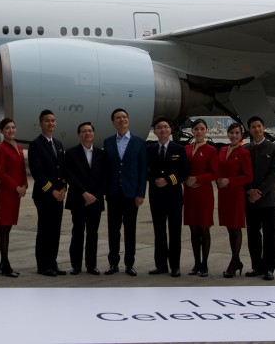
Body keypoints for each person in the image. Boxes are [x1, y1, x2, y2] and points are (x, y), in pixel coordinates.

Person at [103, 108, 147, 276]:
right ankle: (113, 263)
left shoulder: (139, 142)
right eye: (118, 118)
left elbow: (142, 171)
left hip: (131, 194)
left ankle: (130, 264)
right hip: (114, 193)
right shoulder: (107, 142)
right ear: (113, 122)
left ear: (128, 120)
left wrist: (141, 193)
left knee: (130, 230)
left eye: (124, 117)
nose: (122, 120)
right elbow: (106, 169)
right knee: (113, 230)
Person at [62, 122, 108, 275]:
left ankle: (91, 265)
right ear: (79, 135)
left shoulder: (101, 153)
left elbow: (105, 178)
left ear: (93, 134)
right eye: (83, 131)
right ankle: (76, 265)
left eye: (89, 131)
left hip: (96, 200)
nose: (87, 133)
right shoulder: (71, 153)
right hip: (78, 199)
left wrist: (96, 196)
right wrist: (84, 193)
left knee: (93, 233)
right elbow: (69, 175)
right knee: (78, 232)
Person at [146, 117, 189, 277]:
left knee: (175, 232)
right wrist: (153, 180)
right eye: (159, 127)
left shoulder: (179, 148)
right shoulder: (149, 149)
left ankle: (175, 266)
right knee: (159, 232)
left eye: (165, 127)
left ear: (170, 130)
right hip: (156, 196)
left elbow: (184, 171)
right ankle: (161, 265)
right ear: (155, 131)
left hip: (174, 197)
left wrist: (168, 180)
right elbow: (145, 170)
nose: (162, 130)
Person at [28, 109, 66, 276]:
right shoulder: (36, 145)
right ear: (40, 123)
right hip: (44, 195)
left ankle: (53, 262)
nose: (51, 123)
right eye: (47, 121)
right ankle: (43, 265)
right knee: (45, 230)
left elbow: (63, 169)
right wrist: (51, 191)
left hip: (59, 195)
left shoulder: (58, 144)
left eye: (53, 120)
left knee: (55, 230)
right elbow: (37, 172)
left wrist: (64, 187)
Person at [245, 116, 275, 281]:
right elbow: (242, 174)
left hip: (267, 200)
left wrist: (259, 191)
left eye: (259, 126)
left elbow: (274, 174)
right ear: (250, 130)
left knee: (269, 235)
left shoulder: (273, 148)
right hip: (250, 199)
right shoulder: (246, 148)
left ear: (264, 127)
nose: (257, 129)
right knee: (253, 235)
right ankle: (256, 266)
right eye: (253, 127)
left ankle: (269, 268)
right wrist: (249, 190)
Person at [217, 122, 253, 278]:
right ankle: (236, 260)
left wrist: (230, 181)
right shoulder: (223, 150)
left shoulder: (243, 152)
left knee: (236, 227)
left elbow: (248, 176)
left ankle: (234, 262)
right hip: (224, 194)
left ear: (241, 135)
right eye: (231, 132)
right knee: (229, 228)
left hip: (236, 194)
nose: (234, 135)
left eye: (237, 133)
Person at [183, 118, 219, 277]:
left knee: (204, 228)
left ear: (206, 131)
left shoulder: (211, 150)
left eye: (202, 129)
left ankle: (204, 264)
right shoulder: (186, 149)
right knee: (193, 228)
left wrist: (197, 179)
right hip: (190, 193)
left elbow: (215, 173)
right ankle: (196, 262)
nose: (199, 132)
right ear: (192, 131)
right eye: (196, 129)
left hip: (203, 193)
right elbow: (182, 169)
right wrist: (185, 179)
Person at [0, 117, 28, 277]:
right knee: (4, 227)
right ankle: (5, 263)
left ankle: (4, 263)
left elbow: (22, 169)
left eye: (13, 127)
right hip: (6, 193)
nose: (11, 130)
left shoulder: (19, 147)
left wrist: (24, 186)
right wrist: (16, 187)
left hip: (16, 193)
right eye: (7, 128)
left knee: (8, 227)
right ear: (2, 131)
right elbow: (1, 173)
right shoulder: (0, 148)